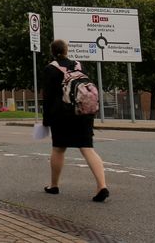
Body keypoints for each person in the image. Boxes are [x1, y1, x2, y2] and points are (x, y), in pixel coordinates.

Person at [42, 39, 109, 202]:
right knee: (87, 148)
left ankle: (54, 185)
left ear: (52, 52)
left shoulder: (50, 69)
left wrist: (46, 120)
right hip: (83, 113)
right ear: (66, 50)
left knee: (58, 149)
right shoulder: (79, 65)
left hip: (62, 114)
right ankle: (102, 186)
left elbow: (48, 97)